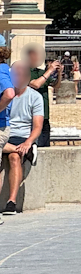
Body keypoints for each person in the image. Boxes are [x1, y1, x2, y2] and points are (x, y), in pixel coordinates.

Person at [2, 61, 44, 214]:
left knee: (14, 157)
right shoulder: (5, 94)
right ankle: (16, 149)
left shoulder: (35, 97)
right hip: (5, 132)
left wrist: (28, 142)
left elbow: (37, 126)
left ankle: (11, 202)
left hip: (22, 136)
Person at [23, 47, 60, 148]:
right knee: (35, 146)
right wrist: (50, 70)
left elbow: (56, 85)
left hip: (45, 115)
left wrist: (59, 73)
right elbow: (36, 84)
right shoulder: (25, 71)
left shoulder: (42, 72)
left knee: (45, 146)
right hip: (33, 116)